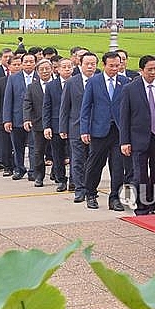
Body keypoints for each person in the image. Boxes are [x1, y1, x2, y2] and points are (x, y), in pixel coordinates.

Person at [79, 51, 130, 211]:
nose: (115, 68)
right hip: (99, 130)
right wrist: (84, 130)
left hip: (118, 131)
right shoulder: (94, 82)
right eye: (111, 66)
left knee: (117, 165)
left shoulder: (125, 82)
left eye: (117, 65)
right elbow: (86, 107)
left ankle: (114, 197)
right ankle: (91, 193)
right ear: (104, 65)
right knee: (95, 164)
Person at [119, 55, 155, 215]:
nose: (153, 72)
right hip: (138, 139)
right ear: (141, 71)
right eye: (150, 69)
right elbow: (124, 117)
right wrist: (124, 141)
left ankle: (151, 205)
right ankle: (141, 207)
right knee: (140, 176)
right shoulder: (130, 89)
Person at [60, 52, 97, 203]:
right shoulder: (71, 82)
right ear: (80, 65)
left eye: (93, 64)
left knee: (93, 161)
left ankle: (90, 189)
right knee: (77, 160)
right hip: (75, 127)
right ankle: (80, 189)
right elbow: (64, 107)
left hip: (95, 128)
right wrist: (63, 128)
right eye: (87, 63)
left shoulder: (100, 81)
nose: (90, 66)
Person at [3, 52, 36, 180]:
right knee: (18, 146)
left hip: (34, 119)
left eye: (31, 61)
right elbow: (8, 100)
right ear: (22, 64)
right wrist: (7, 119)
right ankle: (19, 169)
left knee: (34, 147)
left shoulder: (39, 77)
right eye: (26, 62)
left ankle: (33, 171)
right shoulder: (13, 78)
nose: (28, 64)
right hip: (16, 118)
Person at [23, 58, 54, 187]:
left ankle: (57, 173)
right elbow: (27, 103)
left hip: (55, 122)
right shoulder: (32, 87)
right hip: (38, 123)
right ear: (37, 71)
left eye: (47, 68)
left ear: (52, 69)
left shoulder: (58, 84)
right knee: (38, 151)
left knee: (57, 151)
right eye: (42, 69)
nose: (45, 71)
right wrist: (27, 118)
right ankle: (39, 176)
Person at [43, 58, 73, 192]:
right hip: (55, 125)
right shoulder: (51, 86)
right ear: (58, 70)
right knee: (57, 154)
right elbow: (47, 107)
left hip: (73, 124)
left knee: (75, 155)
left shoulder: (77, 83)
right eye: (64, 67)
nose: (67, 69)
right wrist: (47, 126)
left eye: (69, 67)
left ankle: (74, 180)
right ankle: (61, 179)